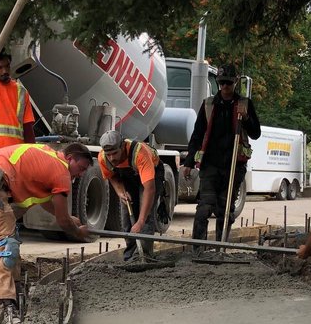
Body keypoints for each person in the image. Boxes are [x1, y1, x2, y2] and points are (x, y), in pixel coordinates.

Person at [0, 142, 94, 320]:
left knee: (11, 235)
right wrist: (78, 231)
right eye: (81, 168)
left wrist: (67, 217)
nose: (81, 174)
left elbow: (45, 201)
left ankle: (14, 283)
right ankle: (4, 302)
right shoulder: (62, 171)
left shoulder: (47, 155)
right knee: (5, 244)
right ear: (69, 158)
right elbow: (63, 223)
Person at [182, 65, 261, 242]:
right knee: (204, 207)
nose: (225, 87)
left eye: (228, 83)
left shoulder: (245, 104)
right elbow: (197, 135)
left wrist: (247, 118)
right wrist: (188, 162)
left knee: (225, 209)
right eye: (222, 83)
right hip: (210, 164)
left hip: (234, 165)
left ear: (234, 83)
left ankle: (220, 246)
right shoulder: (208, 104)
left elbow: (256, 133)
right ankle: (198, 248)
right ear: (218, 83)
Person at [97, 130, 165, 259]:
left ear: (123, 146)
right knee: (127, 213)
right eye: (109, 154)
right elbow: (113, 177)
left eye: (115, 153)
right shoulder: (103, 158)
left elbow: (149, 189)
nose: (112, 158)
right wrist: (121, 192)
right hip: (129, 176)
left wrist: (140, 221)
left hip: (152, 175)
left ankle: (145, 255)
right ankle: (130, 256)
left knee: (145, 215)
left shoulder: (140, 153)